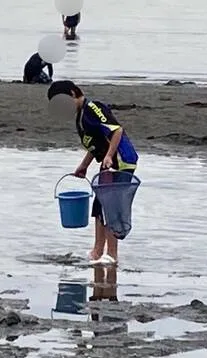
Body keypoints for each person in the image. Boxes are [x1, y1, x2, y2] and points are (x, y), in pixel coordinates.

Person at [47, 80, 140, 265]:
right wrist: (84, 166)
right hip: (108, 161)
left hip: (120, 160)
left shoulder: (92, 108)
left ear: (73, 94)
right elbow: (95, 144)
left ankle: (111, 254)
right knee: (99, 207)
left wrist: (109, 156)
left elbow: (116, 130)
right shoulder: (81, 117)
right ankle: (97, 251)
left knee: (111, 207)